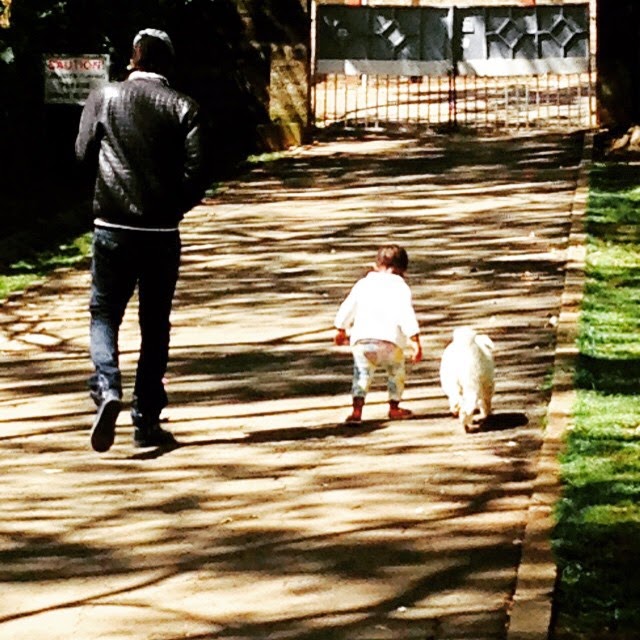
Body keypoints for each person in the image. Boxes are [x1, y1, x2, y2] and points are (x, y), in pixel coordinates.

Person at [75, 28, 208, 452]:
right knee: (155, 325)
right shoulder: (184, 107)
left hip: (111, 227)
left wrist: (102, 194)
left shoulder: (103, 96)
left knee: (104, 313)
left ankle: (107, 384)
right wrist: (171, 209)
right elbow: (197, 174)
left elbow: (81, 154)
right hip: (161, 234)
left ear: (133, 58)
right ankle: (145, 420)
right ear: (167, 62)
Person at [334, 244, 423, 423]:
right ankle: (394, 407)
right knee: (396, 373)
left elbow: (348, 306)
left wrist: (340, 328)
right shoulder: (401, 288)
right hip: (391, 342)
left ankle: (357, 411)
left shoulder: (363, 284)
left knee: (361, 375)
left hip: (363, 341)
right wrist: (415, 340)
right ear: (403, 270)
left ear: (376, 265)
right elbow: (406, 314)